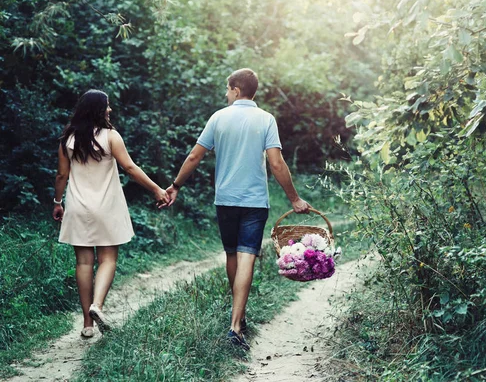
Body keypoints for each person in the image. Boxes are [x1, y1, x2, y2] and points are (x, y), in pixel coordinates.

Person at [163, 68, 310, 350]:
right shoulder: (266, 119)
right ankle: (236, 324)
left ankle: (238, 317)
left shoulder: (218, 118)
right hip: (254, 201)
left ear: (236, 90)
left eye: (227, 89)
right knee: (247, 258)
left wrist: (176, 185)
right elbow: (276, 163)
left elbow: (195, 155)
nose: (225, 94)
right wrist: (294, 198)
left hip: (225, 199)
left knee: (232, 254)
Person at [52, 89, 168, 338]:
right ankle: (98, 305)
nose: (110, 110)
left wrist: (57, 202)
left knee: (83, 262)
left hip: (78, 206)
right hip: (106, 206)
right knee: (108, 259)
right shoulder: (110, 136)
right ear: (98, 109)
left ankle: (87, 325)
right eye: (107, 106)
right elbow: (129, 167)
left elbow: (62, 175)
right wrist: (156, 189)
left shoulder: (67, 140)